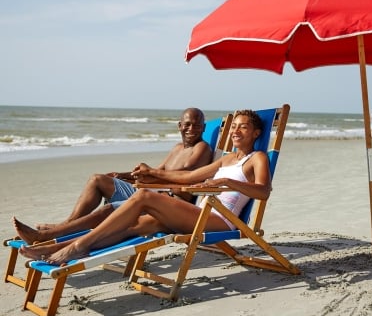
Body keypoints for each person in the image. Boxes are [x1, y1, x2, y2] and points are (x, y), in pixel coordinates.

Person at [15, 109, 271, 265]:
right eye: (234, 126)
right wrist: (148, 174)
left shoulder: (257, 158)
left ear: (256, 133)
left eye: (243, 127)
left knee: (144, 198)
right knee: (130, 226)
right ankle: (53, 247)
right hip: (202, 213)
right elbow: (189, 176)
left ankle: (77, 246)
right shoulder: (227, 158)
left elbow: (263, 191)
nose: (236, 131)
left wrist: (227, 182)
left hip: (220, 219)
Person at [32, 107, 213, 236]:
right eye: (188, 124)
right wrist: (123, 175)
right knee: (97, 179)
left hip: (168, 206)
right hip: (153, 193)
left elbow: (185, 175)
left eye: (197, 126)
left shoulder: (202, 148)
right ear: (179, 125)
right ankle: (67, 224)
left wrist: (150, 174)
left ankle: (57, 232)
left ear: (203, 128)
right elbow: (157, 172)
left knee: (108, 209)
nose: (192, 129)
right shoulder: (177, 148)